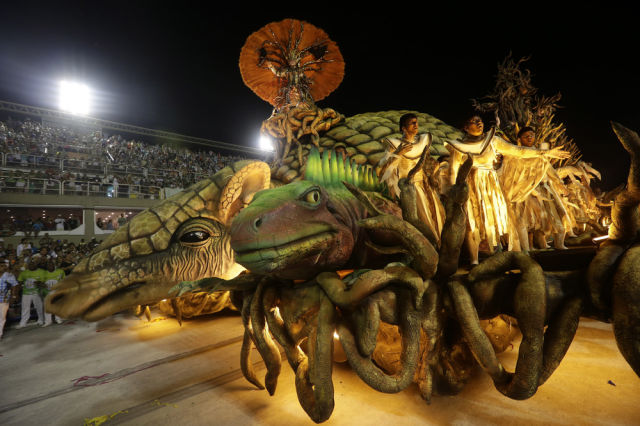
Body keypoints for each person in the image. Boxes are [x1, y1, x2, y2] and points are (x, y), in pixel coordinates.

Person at [446, 115, 569, 263]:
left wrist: (544, 153)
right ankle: (474, 261)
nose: (479, 123)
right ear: (466, 127)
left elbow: (519, 151)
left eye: (480, 120)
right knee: (472, 223)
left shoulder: (493, 141)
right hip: (471, 187)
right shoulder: (458, 146)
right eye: (474, 121)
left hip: (490, 186)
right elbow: (453, 170)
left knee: (495, 221)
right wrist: (454, 192)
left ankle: (496, 254)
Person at [378, 113, 445, 241]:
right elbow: (383, 167)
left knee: (434, 216)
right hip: (408, 187)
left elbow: (428, 163)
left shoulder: (421, 142)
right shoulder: (394, 144)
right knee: (421, 217)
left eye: (416, 122)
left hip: (423, 186)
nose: (416, 125)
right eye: (412, 123)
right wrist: (398, 153)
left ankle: (436, 246)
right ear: (403, 128)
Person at [17, 260, 45, 328]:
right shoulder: (24, 273)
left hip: (37, 292)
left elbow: (43, 282)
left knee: (39, 307)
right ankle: (23, 322)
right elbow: (20, 281)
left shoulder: (41, 272)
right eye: (30, 265)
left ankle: (41, 320)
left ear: (36, 265)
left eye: (33, 264)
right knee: (25, 308)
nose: (31, 266)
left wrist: (38, 283)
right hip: (26, 293)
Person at [42, 260, 65, 326]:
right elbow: (40, 282)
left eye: (52, 265)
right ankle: (48, 321)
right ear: (47, 266)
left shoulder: (60, 271)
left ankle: (58, 319)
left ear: (54, 265)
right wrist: (42, 284)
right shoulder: (44, 273)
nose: (50, 266)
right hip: (47, 292)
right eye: (49, 265)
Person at [0, 262, 19, 339]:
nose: (2, 267)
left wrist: (13, 296)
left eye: (3, 266)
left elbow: (15, 285)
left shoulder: (8, 276)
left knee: (1, 317)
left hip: (3, 299)